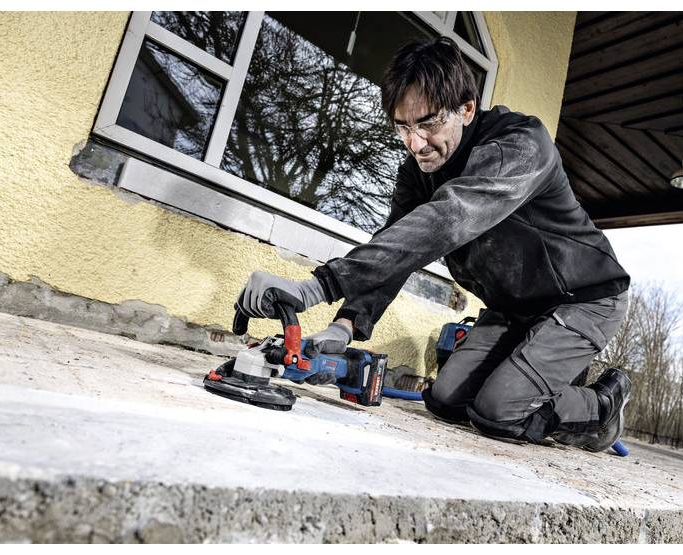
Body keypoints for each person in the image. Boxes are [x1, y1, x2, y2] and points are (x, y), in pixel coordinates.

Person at [234, 37, 632, 452]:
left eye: (427, 124)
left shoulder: (521, 145)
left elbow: (448, 218)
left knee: (498, 411)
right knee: (445, 400)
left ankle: (601, 408)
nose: (416, 143)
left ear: (466, 108)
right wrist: (343, 327)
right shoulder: (417, 172)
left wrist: (317, 286)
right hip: (514, 307)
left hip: (584, 299)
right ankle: (539, 378)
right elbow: (396, 248)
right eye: (403, 127)